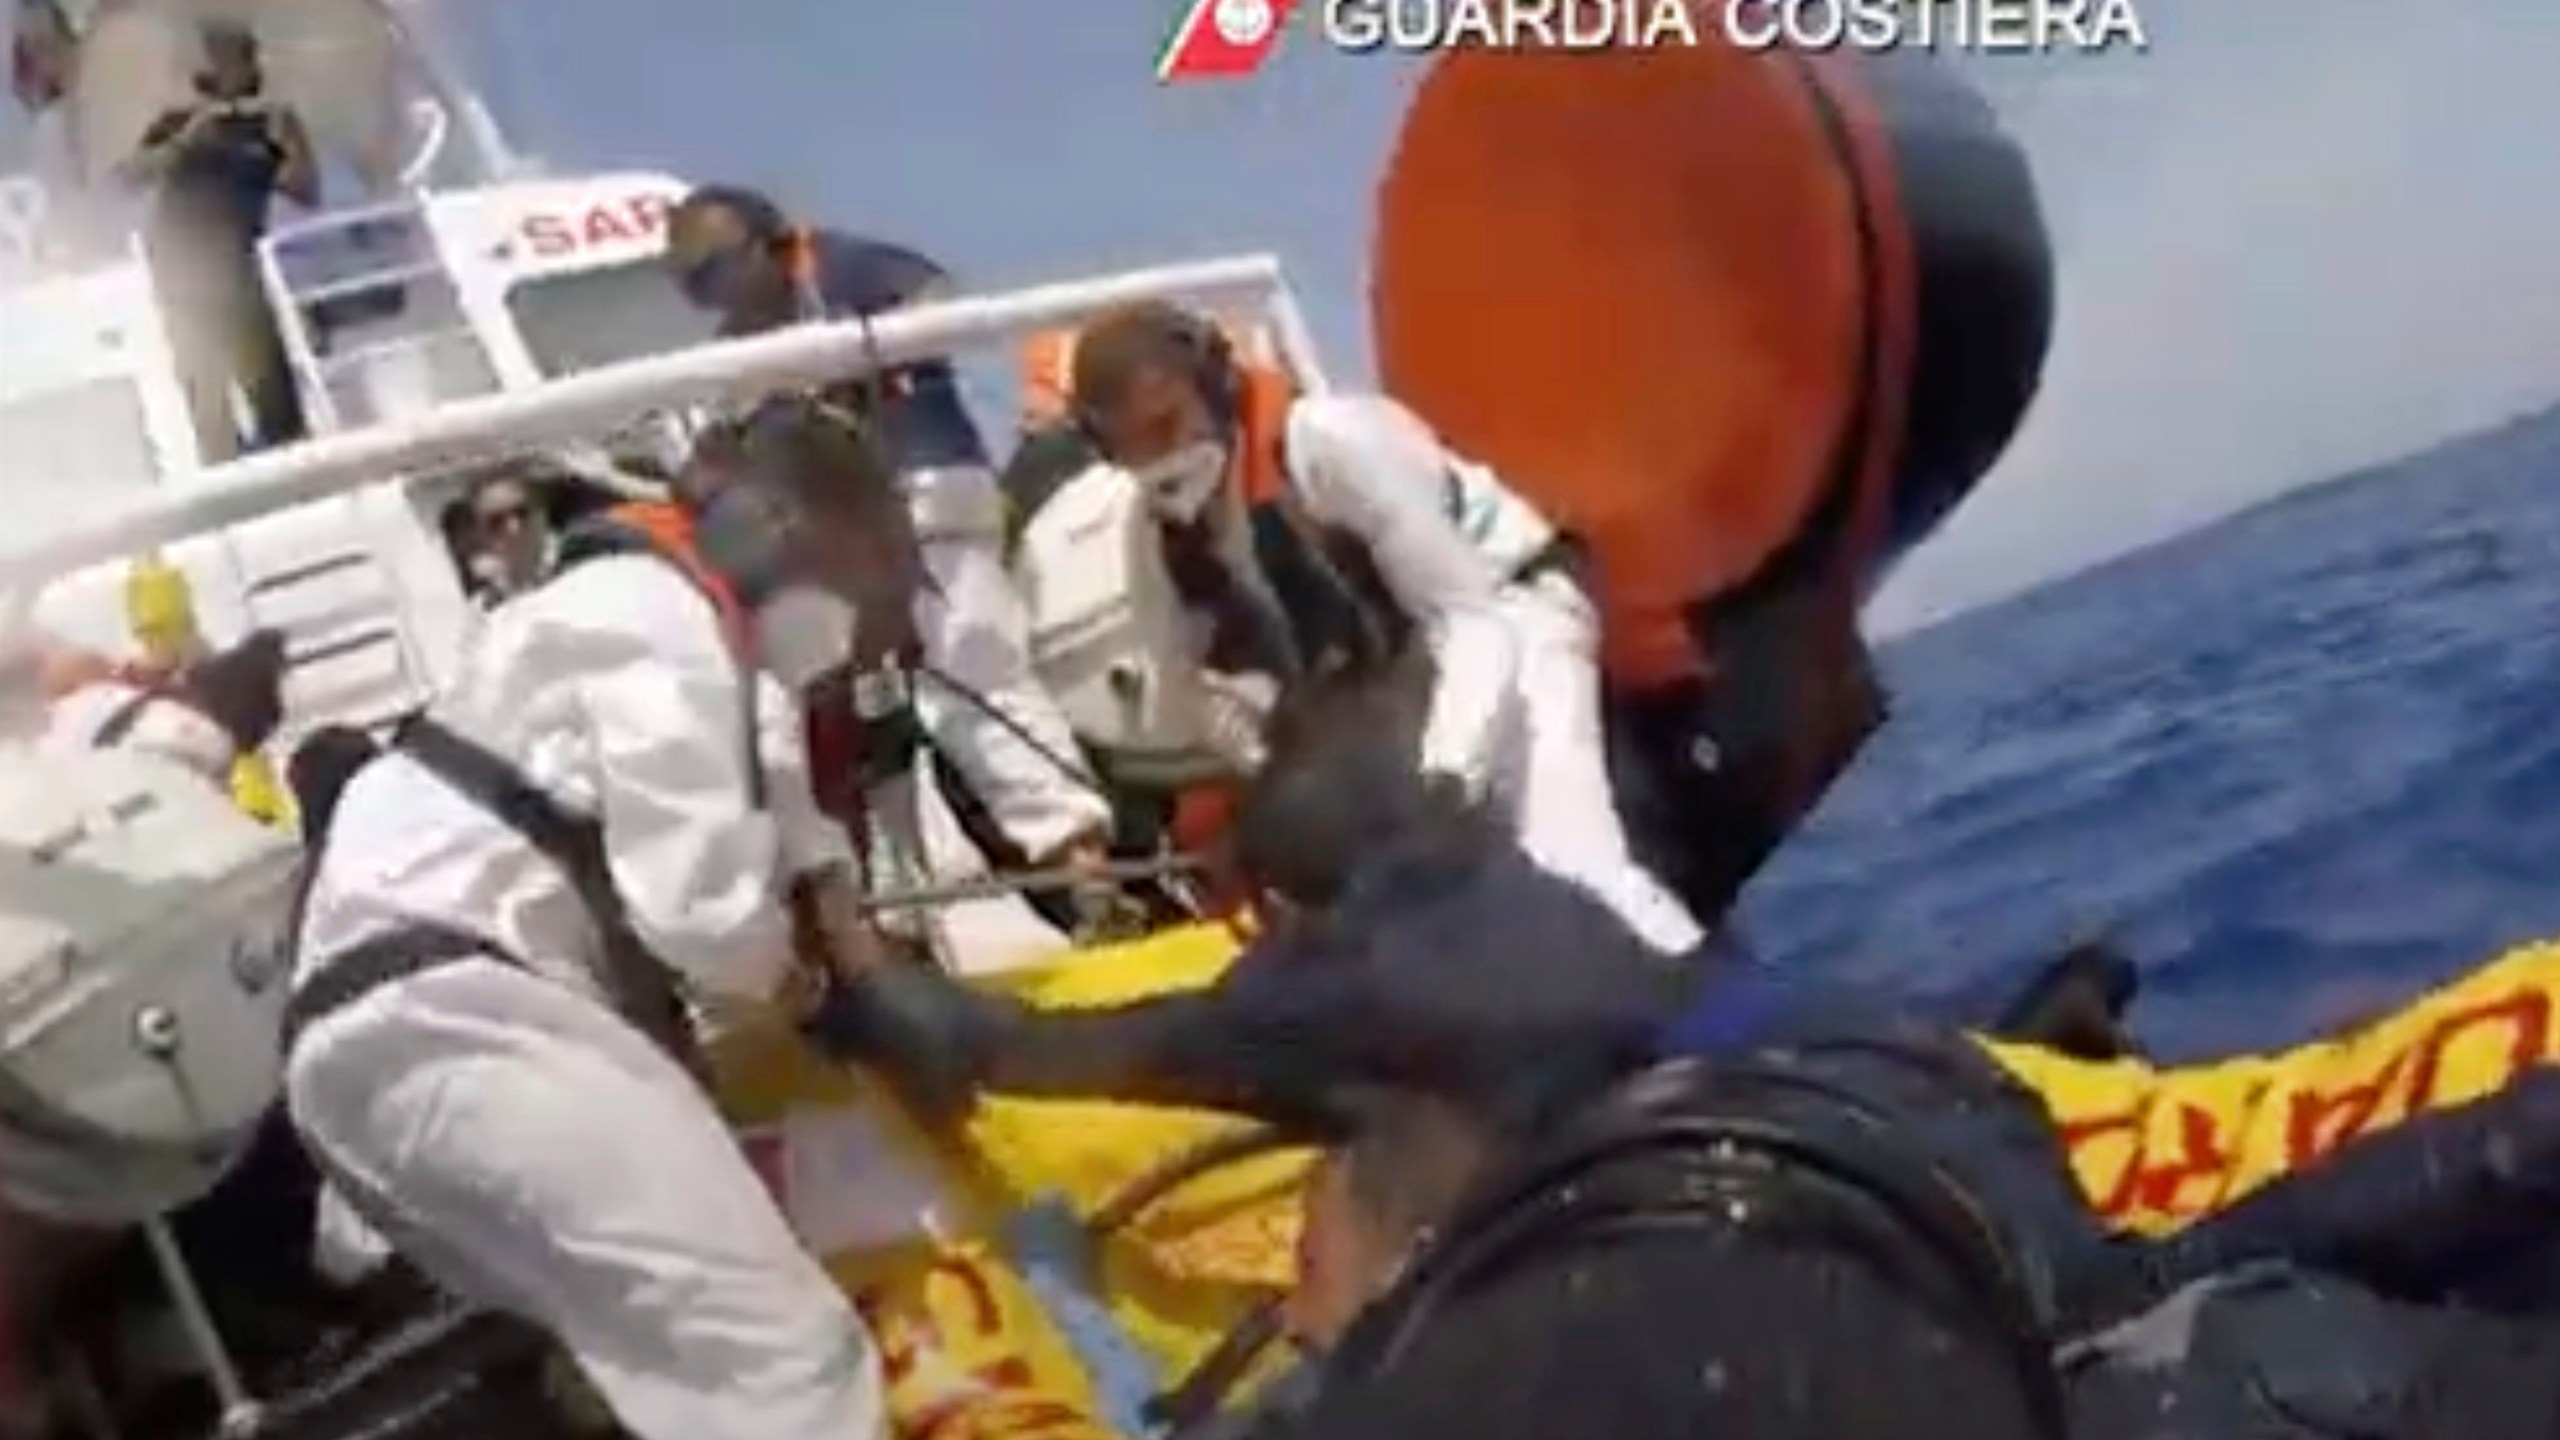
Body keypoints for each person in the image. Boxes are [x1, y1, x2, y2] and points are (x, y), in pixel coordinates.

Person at [280, 400, 939, 1440]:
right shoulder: (652, 612)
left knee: (651, 1376)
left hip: (370, 1052)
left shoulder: (658, 626)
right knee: (782, 1364)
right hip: (462, 1027)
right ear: (774, 529)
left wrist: (843, 925)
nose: (849, 616)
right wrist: (809, 991)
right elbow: (701, 915)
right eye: (850, 565)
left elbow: (781, 809)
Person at [1062, 299, 1702, 955]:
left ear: (1217, 389)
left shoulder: (1332, 442)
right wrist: (1230, 821)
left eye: (1166, 428)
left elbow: (1474, 620)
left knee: (1570, 863)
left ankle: (1720, 1011)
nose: (1155, 463)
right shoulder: (1182, 538)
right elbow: (1229, 686)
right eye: (1128, 448)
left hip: (1513, 608)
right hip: (1410, 667)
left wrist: (1449, 778)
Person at [664, 185, 1114, 936]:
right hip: (827, 544)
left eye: (713, 272)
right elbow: (720, 451)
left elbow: (942, 304)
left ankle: (1083, 862)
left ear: (768, 244)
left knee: (971, 668)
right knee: (832, 711)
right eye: (691, 287)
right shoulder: (736, 352)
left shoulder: (846, 265)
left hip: (924, 492)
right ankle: (888, 918)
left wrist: (856, 360)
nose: (707, 298)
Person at [121, 20, 312, 459]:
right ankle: (217, 448)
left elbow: (306, 187)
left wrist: (276, 156)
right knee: (201, 373)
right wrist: (187, 142)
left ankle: (283, 442)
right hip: (181, 261)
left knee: (263, 365)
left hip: (237, 257)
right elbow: (130, 174)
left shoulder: (274, 118)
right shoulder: (181, 116)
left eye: (239, 56)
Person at [462, 469, 561, 605]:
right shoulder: (485, 609)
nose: (513, 528)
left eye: (521, 513)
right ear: (480, 534)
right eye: (496, 522)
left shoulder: (580, 558)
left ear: (541, 513)